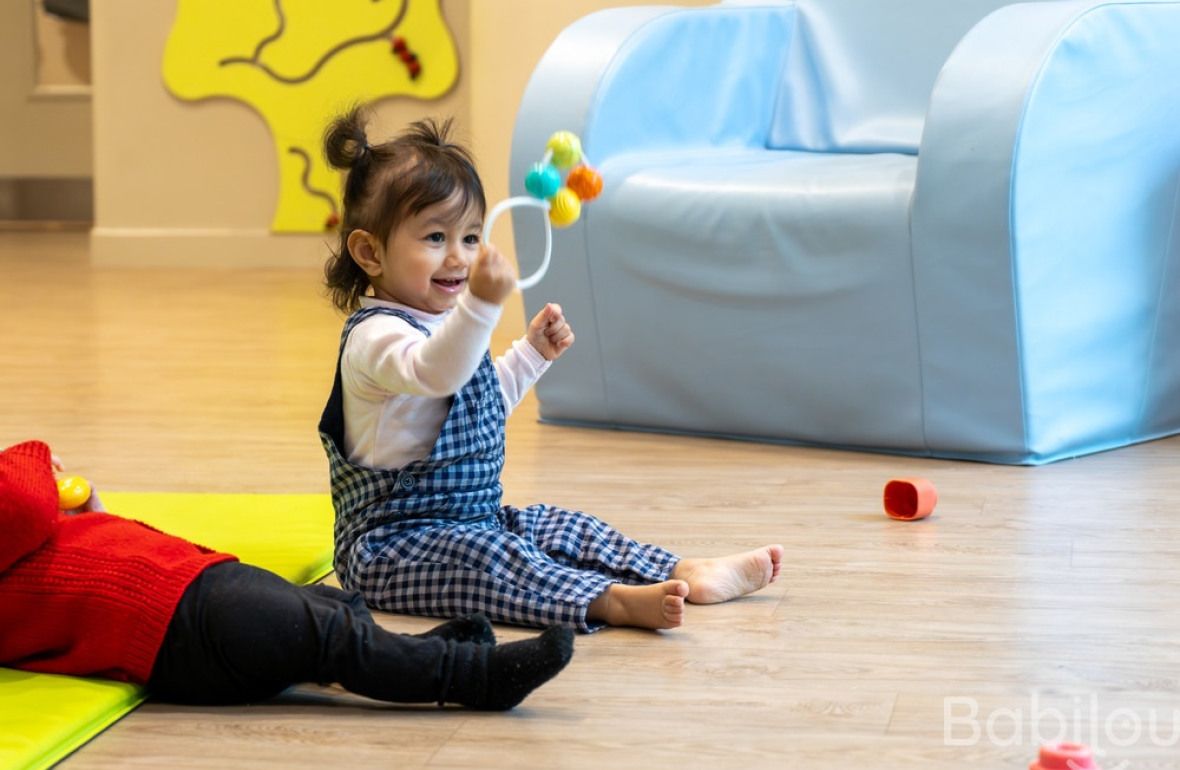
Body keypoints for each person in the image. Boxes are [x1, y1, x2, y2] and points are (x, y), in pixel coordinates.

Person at [317, 107, 785, 633]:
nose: (459, 257)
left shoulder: (445, 327)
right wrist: (481, 308)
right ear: (369, 252)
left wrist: (530, 354)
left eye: (470, 238)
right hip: (388, 550)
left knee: (562, 528)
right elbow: (436, 376)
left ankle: (685, 569)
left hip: (473, 521)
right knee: (495, 565)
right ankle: (611, 601)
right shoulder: (376, 338)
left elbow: (477, 406)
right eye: (434, 238)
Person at [0, 440, 573, 709]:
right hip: (176, 622)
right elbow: (20, 504)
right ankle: (472, 676)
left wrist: (87, 514)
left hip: (186, 591)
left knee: (328, 610)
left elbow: (65, 543)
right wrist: (32, 456)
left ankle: (410, 649)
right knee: (326, 636)